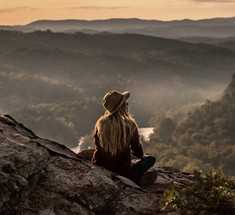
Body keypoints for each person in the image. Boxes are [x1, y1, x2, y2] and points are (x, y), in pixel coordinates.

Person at [91, 90, 156, 185]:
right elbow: (138, 153)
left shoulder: (100, 124)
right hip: (122, 173)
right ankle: (134, 181)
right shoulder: (130, 125)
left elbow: (98, 146)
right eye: (124, 102)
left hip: (100, 169)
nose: (127, 103)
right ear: (121, 106)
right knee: (150, 159)